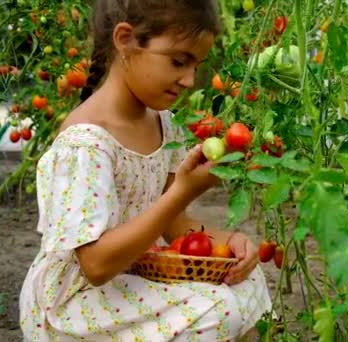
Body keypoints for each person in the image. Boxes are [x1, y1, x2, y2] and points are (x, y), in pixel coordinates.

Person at [18, 0, 272, 340]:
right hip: (78, 303)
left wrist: (230, 244)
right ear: (125, 39)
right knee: (219, 308)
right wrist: (184, 190)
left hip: (135, 277)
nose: (188, 79)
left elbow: (173, 225)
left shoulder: (163, 124)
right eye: (178, 61)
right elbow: (95, 264)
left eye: (195, 65)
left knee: (246, 280)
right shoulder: (85, 144)